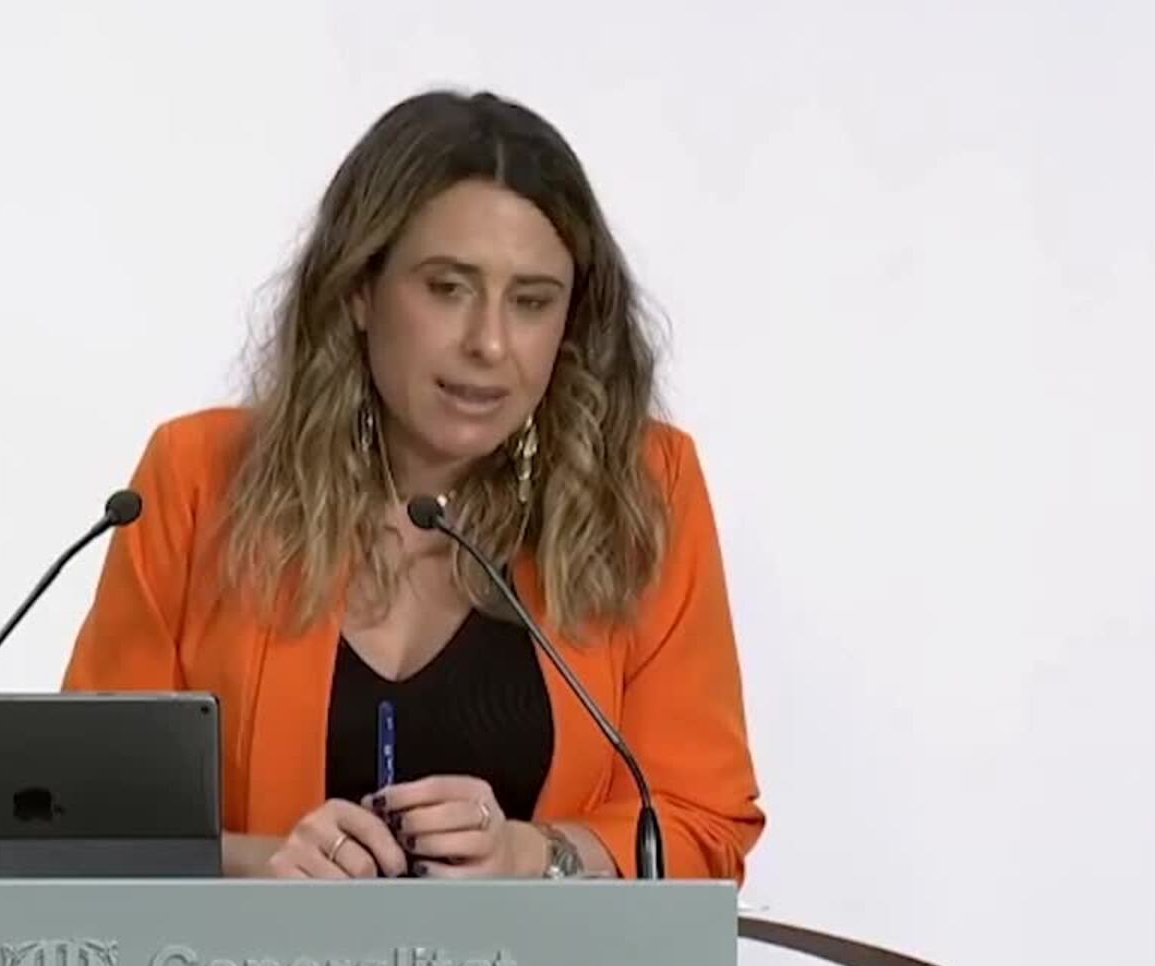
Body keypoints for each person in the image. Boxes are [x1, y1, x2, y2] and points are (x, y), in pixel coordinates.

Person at [61, 88, 764, 881]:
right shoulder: (197, 478)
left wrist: (534, 855)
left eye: (531, 303)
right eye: (447, 288)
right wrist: (260, 867)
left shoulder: (644, 491)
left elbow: (704, 824)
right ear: (359, 289)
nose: (489, 343)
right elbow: (82, 817)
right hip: (245, 964)